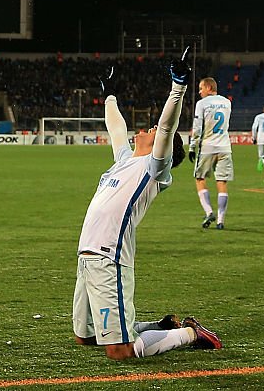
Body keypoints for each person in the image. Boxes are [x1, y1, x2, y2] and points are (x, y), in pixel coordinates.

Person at [73, 52, 222, 359]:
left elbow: (167, 128)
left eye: (152, 130)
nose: (147, 129)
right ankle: (161, 325)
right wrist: (109, 95)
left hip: (108, 258)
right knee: (85, 338)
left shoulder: (154, 169)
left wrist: (178, 87)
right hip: (86, 258)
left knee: (119, 350)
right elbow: (115, 127)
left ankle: (190, 333)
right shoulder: (125, 161)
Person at [190, 77, 234, 229]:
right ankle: (221, 220)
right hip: (224, 147)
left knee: (200, 178)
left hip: (207, 146)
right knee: (221, 182)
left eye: (201, 88)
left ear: (209, 87)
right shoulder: (227, 102)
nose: (199, 91)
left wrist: (192, 146)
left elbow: (197, 127)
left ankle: (209, 211)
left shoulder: (201, 104)